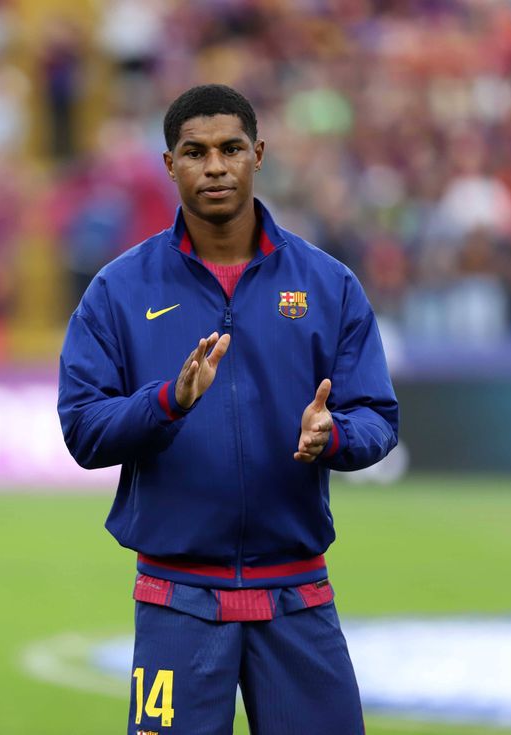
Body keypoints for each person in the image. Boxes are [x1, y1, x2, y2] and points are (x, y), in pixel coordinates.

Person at [58, 84, 399, 734]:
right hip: (175, 600)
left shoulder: (327, 283)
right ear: (170, 164)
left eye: (231, 149)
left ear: (257, 155)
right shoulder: (118, 290)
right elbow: (83, 429)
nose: (214, 166)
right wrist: (169, 401)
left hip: (297, 595)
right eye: (195, 152)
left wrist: (334, 435)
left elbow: (379, 417)